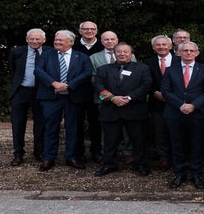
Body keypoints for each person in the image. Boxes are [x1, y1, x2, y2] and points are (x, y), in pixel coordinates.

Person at [34, 29, 92, 171]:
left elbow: (87, 72)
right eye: (56, 39)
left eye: (60, 40)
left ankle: (71, 157)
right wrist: (54, 83)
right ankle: (49, 158)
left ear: (71, 42)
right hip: (51, 97)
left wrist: (68, 85)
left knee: (73, 128)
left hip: (73, 97)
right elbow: (38, 70)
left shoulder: (82, 56)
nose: (57, 42)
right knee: (50, 128)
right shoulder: (46, 55)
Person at [161, 41, 204, 189]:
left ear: (197, 53)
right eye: (185, 50)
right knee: (177, 144)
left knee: (197, 144)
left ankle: (196, 174)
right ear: (178, 53)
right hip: (175, 113)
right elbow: (166, 91)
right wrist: (180, 105)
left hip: (198, 113)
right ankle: (179, 173)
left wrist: (194, 105)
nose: (188, 53)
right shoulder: (170, 70)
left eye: (192, 50)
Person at [92, 43, 151, 177]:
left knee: (138, 140)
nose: (122, 54)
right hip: (111, 109)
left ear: (131, 54)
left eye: (125, 51)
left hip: (135, 109)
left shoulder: (142, 68)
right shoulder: (103, 69)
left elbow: (146, 86)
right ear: (114, 54)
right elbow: (98, 87)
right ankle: (109, 164)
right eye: (119, 51)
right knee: (110, 140)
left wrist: (129, 98)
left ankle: (140, 164)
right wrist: (112, 98)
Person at [7, 28, 47, 165]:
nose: (34, 41)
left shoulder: (50, 52)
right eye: (32, 38)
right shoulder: (16, 52)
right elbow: (12, 70)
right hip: (21, 91)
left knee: (41, 123)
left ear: (44, 40)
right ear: (27, 39)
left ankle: (39, 152)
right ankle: (18, 154)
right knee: (18, 123)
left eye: (38, 39)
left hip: (41, 92)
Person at [72, 22, 104, 163]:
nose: (89, 31)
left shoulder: (103, 46)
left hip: (98, 92)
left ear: (97, 31)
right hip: (77, 90)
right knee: (76, 123)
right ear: (80, 31)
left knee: (96, 123)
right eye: (85, 29)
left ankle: (96, 151)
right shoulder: (73, 46)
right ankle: (78, 152)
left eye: (92, 29)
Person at [142, 35, 175, 169]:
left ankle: (178, 157)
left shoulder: (180, 60)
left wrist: (172, 96)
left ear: (170, 46)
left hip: (177, 102)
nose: (161, 47)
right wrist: (154, 92)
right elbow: (145, 81)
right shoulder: (148, 62)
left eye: (164, 44)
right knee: (160, 131)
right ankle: (163, 158)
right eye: (158, 45)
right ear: (153, 48)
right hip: (157, 102)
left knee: (177, 130)